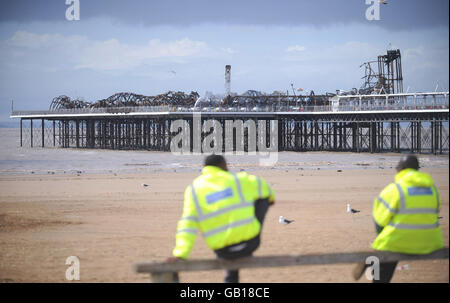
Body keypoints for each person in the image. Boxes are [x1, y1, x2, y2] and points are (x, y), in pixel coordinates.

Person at [169, 154, 275, 283]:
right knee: (261, 197)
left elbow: (187, 226)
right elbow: (265, 188)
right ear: (224, 165)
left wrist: (180, 254)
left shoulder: (194, 190)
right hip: (250, 244)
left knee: (221, 221)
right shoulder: (238, 180)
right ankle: (232, 275)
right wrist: (270, 199)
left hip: (223, 251)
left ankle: (231, 277)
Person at [369, 154, 444, 282]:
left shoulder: (395, 189)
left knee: (384, 242)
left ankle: (379, 258)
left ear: (401, 168)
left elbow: (380, 219)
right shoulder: (433, 190)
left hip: (400, 242)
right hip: (431, 242)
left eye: (397, 166)